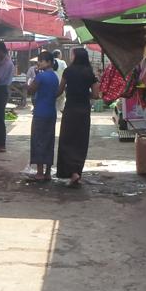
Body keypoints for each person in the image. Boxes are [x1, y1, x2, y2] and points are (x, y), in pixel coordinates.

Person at [56, 48, 98, 187]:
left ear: (75, 56)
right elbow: (96, 94)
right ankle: (77, 172)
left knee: (67, 140)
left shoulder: (68, 71)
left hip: (70, 110)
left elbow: (60, 90)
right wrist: (85, 95)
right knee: (80, 141)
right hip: (84, 111)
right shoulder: (89, 73)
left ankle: (71, 172)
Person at [27, 51, 59, 182]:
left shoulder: (40, 76)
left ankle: (39, 172)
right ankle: (47, 172)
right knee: (49, 141)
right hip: (51, 112)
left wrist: (28, 84)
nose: (39, 63)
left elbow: (31, 90)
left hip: (40, 112)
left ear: (50, 62)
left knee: (38, 141)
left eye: (42, 61)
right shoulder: (55, 76)